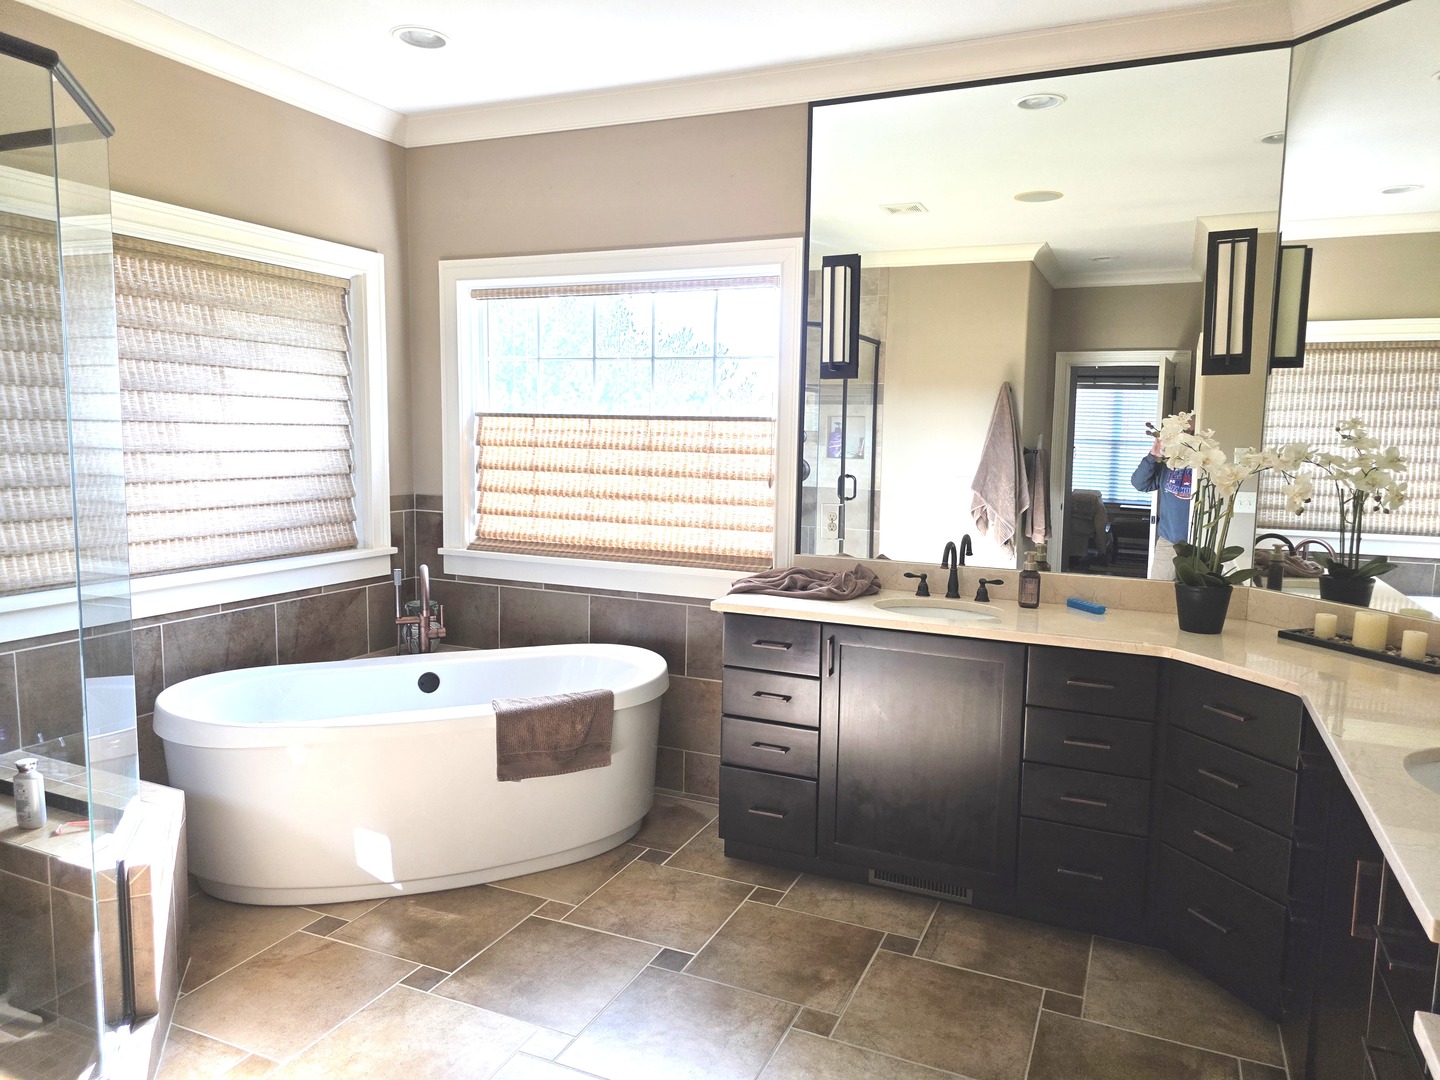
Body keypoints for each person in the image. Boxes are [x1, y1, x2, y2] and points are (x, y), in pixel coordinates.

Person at [1131, 431, 1192, 580]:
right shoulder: (1167, 463)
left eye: (1191, 432)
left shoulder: (1206, 464)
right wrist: (1153, 456)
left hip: (1201, 544)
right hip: (1169, 542)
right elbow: (1140, 484)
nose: (1186, 436)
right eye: (1183, 432)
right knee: (1157, 594)